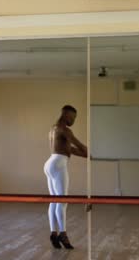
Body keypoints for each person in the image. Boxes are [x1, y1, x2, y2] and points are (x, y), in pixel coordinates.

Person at [44, 105, 87, 249]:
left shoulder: (53, 129)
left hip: (50, 163)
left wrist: (87, 155)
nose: (74, 120)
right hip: (59, 165)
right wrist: (89, 151)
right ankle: (63, 234)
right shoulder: (66, 130)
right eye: (73, 117)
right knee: (63, 201)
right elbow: (80, 146)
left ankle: (53, 233)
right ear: (67, 115)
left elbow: (69, 150)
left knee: (54, 201)